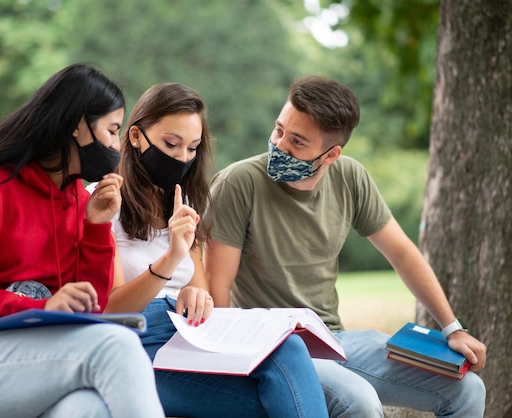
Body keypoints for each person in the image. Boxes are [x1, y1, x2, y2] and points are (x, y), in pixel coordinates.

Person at [204, 75, 487, 417]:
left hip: (334, 339)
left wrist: (451, 328)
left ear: (331, 154)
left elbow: (402, 253)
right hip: (272, 347)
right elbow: (216, 285)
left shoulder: (350, 177)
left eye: (297, 141)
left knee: (467, 390)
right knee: (359, 401)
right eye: (279, 130)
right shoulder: (239, 183)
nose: (279, 146)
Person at [0, 63, 165, 418]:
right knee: (118, 345)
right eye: (112, 131)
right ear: (79, 126)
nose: (116, 146)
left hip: (39, 358)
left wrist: (96, 226)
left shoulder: (81, 202)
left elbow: (92, 307)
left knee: (88, 409)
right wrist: (41, 308)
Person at [96, 82, 329, 418]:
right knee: (271, 406)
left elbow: (200, 292)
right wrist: (171, 258)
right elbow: (112, 310)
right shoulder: (106, 203)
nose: (182, 158)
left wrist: (195, 296)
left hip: (188, 335)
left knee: (288, 346)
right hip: (137, 344)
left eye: (192, 148)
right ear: (135, 137)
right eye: (171, 144)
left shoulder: (185, 202)